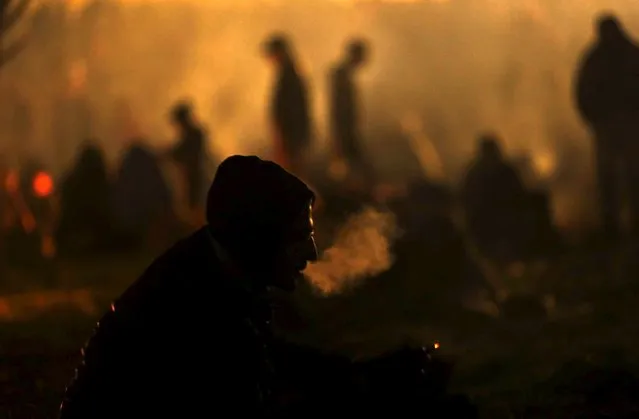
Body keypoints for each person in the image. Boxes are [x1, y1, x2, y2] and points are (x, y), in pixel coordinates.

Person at [576, 14, 639, 238]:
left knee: (633, 175)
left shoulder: (631, 55)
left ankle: (633, 222)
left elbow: (582, 91)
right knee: (608, 178)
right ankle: (611, 225)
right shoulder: (596, 59)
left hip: (630, 124)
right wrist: (593, 120)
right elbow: (582, 92)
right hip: (608, 126)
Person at [263, 34, 312, 176]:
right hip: (291, 139)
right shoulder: (289, 74)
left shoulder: (288, 76)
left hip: (290, 139)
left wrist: (283, 139)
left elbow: (289, 111)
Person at [330, 39, 372, 190]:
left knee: (353, 169)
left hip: (347, 130)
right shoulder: (341, 75)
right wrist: (339, 138)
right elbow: (338, 110)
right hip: (344, 131)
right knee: (352, 170)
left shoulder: (345, 75)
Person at [168, 101, 207, 216]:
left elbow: (183, 152)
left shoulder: (195, 135)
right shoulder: (193, 135)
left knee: (196, 208)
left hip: (197, 177)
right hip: (192, 177)